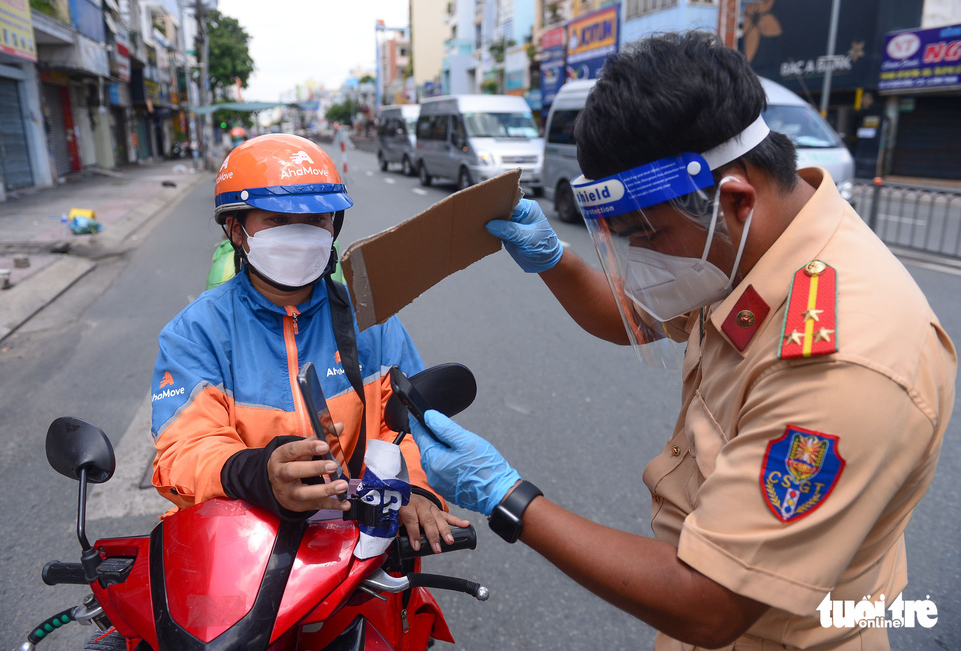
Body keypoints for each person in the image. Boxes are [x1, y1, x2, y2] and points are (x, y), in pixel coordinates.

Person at [407, 31, 956, 649]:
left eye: (646, 234)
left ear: (735, 201)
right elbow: (634, 319)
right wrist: (554, 259)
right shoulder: (757, 247)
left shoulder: (846, 359)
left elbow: (710, 603)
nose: (638, 260)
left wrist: (507, 495)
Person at [150, 133, 467, 553]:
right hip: (243, 548)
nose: (299, 234)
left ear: (333, 227)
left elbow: (410, 423)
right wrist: (259, 474)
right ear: (236, 230)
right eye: (277, 221)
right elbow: (185, 447)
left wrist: (414, 489)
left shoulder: (371, 319)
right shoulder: (195, 332)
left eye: (316, 221)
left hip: (359, 545)